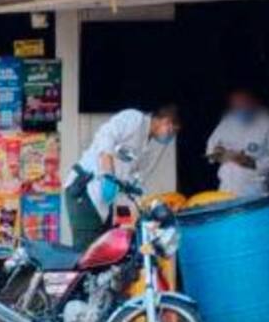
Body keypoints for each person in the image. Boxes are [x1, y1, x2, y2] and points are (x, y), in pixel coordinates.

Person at [64, 105, 181, 251]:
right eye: (171, 129)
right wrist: (108, 172)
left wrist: (149, 207)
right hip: (85, 188)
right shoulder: (134, 119)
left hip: (105, 201)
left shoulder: (146, 150)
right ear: (164, 120)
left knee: (104, 254)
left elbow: (134, 183)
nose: (170, 135)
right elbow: (105, 135)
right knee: (88, 252)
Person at [206, 90, 269, 198]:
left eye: (243, 104)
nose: (240, 109)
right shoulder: (227, 121)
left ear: (253, 102)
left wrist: (253, 163)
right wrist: (218, 154)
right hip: (225, 190)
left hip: (254, 190)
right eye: (236, 106)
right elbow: (211, 147)